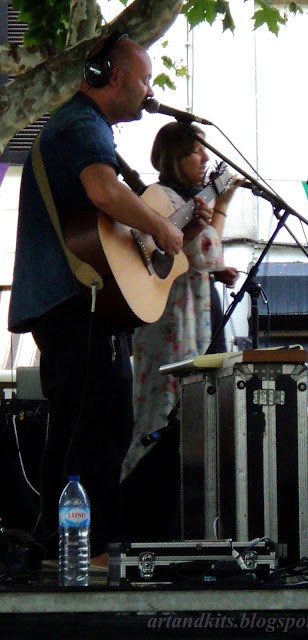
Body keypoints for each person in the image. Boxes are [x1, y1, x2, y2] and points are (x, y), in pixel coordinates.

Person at [7, 33, 211, 563]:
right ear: (115, 78)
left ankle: (58, 545)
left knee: (75, 424)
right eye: (144, 79)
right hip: (76, 300)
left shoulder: (83, 127)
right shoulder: (81, 125)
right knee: (105, 419)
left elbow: (112, 229)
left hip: (68, 299)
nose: (149, 91)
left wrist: (174, 234)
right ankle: (87, 546)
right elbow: (105, 193)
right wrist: (161, 229)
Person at [118, 122, 241, 542]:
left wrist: (210, 251)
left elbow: (201, 255)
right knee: (163, 419)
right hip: (170, 324)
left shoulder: (188, 201)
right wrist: (221, 208)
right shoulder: (159, 199)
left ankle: (179, 527)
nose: (205, 160)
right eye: (196, 152)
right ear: (174, 157)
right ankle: (144, 523)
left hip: (195, 317)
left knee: (191, 419)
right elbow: (196, 248)